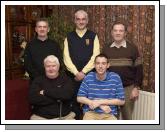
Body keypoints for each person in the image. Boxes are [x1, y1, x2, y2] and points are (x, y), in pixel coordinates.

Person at [63, 10, 100, 119]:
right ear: (74, 21)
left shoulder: (93, 36)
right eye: (78, 19)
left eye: (83, 19)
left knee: (90, 103)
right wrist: (76, 73)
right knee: (74, 103)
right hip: (72, 78)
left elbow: (96, 56)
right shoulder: (68, 36)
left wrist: (83, 72)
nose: (81, 21)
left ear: (87, 21)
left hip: (89, 77)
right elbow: (66, 57)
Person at [102, 22, 143, 120]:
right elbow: (101, 67)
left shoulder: (133, 48)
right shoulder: (106, 48)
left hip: (127, 89)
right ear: (112, 33)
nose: (118, 33)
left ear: (125, 33)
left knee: (127, 118)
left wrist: (136, 87)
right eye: (115, 30)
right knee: (110, 117)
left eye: (121, 31)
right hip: (110, 89)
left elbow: (139, 69)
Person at [77, 54, 125, 120]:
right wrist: (99, 105)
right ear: (94, 65)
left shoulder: (115, 78)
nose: (100, 66)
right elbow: (79, 98)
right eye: (98, 63)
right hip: (91, 113)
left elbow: (122, 101)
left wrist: (100, 102)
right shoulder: (88, 77)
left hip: (109, 114)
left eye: (103, 63)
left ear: (108, 65)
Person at [29, 55, 75, 120]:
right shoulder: (37, 80)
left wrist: (45, 92)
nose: (51, 69)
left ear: (58, 67)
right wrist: (59, 97)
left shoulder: (66, 79)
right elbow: (33, 99)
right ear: (44, 67)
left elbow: (67, 95)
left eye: (53, 66)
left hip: (65, 117)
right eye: (48, 66)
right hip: (41, 117)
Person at [24, 18, 62, 82]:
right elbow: (27, 64)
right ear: (36, 29)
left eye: (44, 27)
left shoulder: (55, 45)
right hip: (35, 80)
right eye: (39, 27)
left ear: (48, 29)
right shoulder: (30, 45)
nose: (42, 29)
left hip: (52, 80)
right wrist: (39, 78)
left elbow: (59, 62)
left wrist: (51, 75)